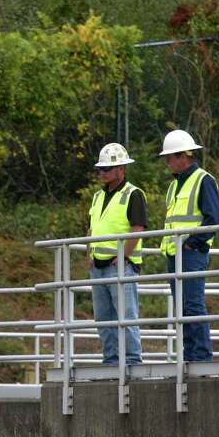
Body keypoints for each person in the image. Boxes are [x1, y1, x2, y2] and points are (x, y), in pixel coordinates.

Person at [160, 129, 219, 362]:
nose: (167, 163)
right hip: (175, 254)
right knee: (182, 310)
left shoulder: (203, 180)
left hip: (191, 254)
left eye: (170, 158)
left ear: (183, 156)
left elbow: (212, 219)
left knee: (193, 306)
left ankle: (201, 357)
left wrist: (191, 244)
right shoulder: (174, 186)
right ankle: (190, 356)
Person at [87, 142, 148, 365]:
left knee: (126, 316)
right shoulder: (97, 197)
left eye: (107, 169)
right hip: (99, 265)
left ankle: (132, 360)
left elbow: (137, 228)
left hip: (120, 265)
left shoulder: (133, 194)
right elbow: (91, 228)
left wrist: (122, 257)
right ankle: (111, 360)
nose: (102, 173)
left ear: (121, 169)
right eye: (100, 169)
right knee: (103, 318)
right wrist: (90, 255)